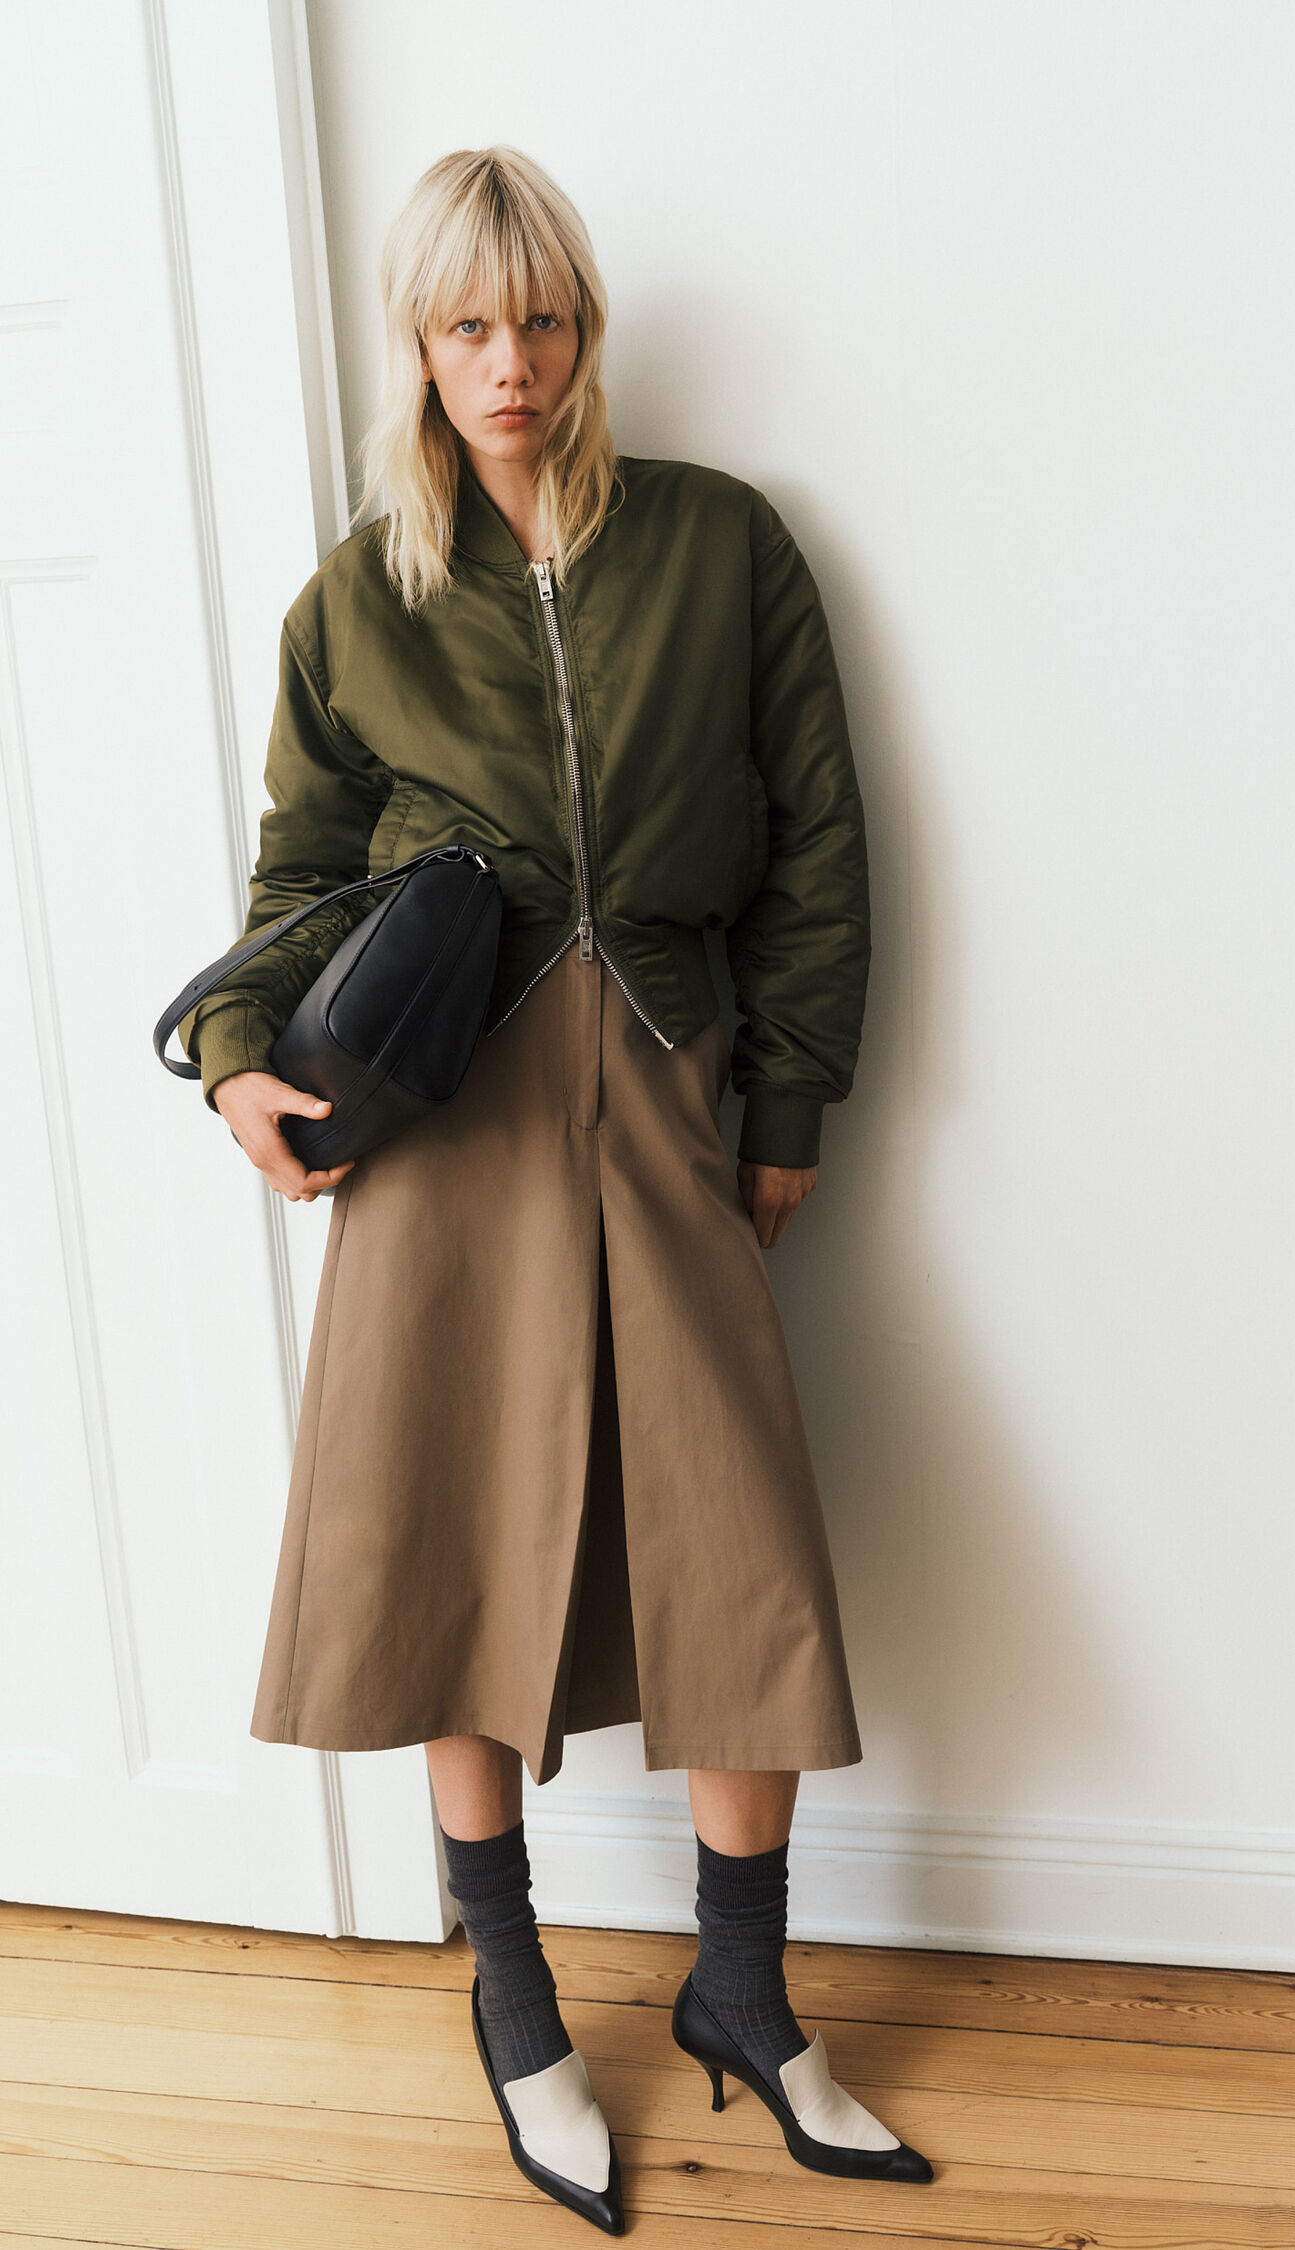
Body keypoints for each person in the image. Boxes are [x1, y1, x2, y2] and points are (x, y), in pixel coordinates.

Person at [176, 145, 932, 2232]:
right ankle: (512, 1992)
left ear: (584, 329)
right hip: (446, 1119)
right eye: (468, 325)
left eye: (544, 319)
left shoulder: (722, 544)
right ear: (418, 347)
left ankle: (742, 1990)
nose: (510, 362)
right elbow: (296, 879)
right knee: (453, 1533)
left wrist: (789, 1100)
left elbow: (819, 846)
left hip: (669, 1080)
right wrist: (236, 1060)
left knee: (735, 1544)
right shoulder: (361, 598)